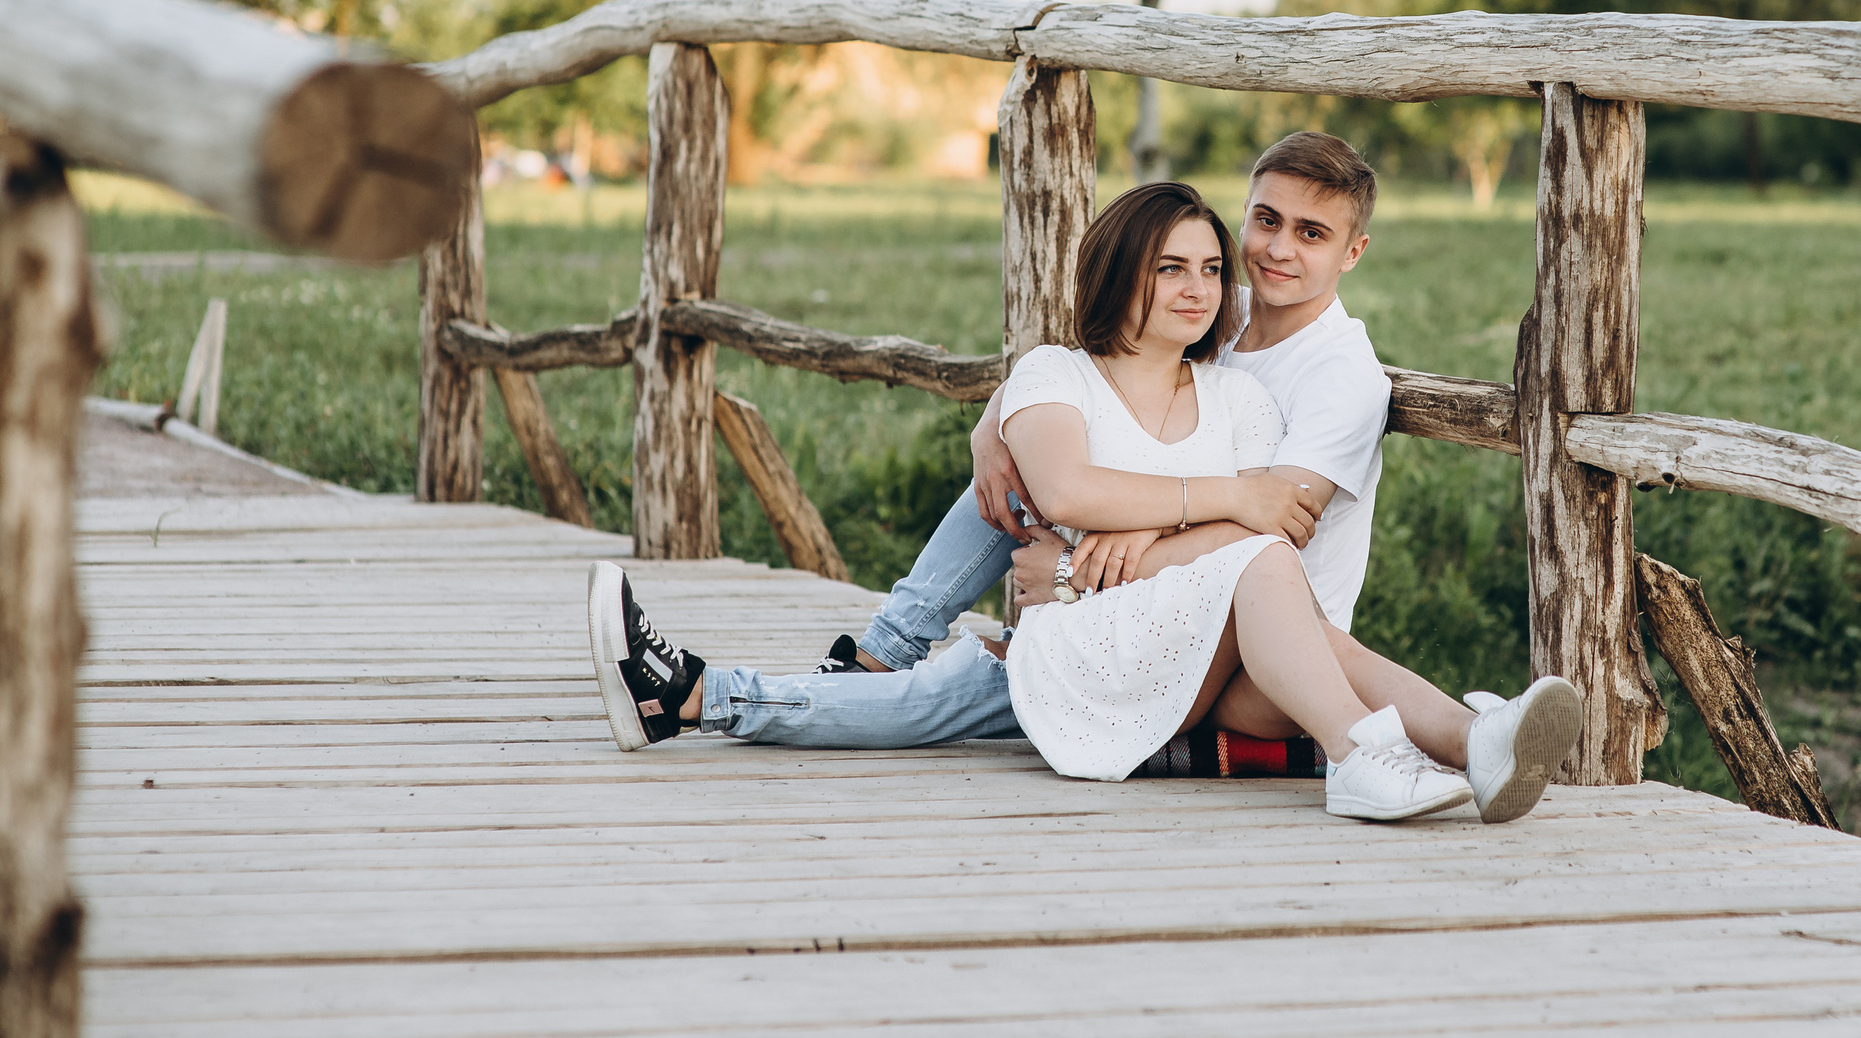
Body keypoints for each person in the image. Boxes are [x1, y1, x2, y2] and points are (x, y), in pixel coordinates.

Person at [586, 150, 1581, 823]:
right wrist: (998, 427)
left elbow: (1268, 523)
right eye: (1264, 222)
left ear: (1351, 250)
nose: (1272, 251)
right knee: (963, 683)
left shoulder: (1317, 380)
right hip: (1140, 619)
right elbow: (1097, 449)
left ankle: (1410, 746)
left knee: (999, 677)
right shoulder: (1221, 313)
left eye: (1310, 234)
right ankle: (1453, 737)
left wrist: (1101, 554)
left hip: (1258, 645)